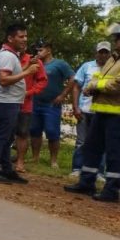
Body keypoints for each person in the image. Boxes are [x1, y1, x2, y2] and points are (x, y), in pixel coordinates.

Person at [65, 25, 120, 201]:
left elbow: (116, 85)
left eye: (117, 38)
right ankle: (86, 182)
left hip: (116, 114)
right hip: (100, 110)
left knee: (114, 152)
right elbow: (99, 78)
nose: (115, 41)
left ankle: (111, 190)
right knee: (91, 147)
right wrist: (90, 86)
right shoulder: (113, 59)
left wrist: (95, 86)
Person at [0, 24, 42, 184]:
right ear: (10, 38)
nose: (25, 39)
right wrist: (27, 72)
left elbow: (12, 74)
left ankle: (6, 169)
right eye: (21, 36)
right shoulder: (7, 56)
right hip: (6, 103)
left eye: (25, 36)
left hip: (11, 102)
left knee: (7, 138)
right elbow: (4, 80)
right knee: (0, 137)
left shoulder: (11, 55)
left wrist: (25, 66)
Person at [27, 40, 76, 170]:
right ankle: (35, 157)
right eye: (37, 50)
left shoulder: (59, 64)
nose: (38, 52)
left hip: (51, 103)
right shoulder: (36, 63)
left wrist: (63, 95)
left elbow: (72, 77)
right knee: (34, 130)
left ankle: (54, 160)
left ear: (49, 50)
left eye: (41, 49)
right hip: (35, 101)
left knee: (52, 131)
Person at [70, 41, 114, 177]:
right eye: (100, 52)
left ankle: (99, 172)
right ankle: (77, 168)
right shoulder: (87, 66)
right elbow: (76, 86)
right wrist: (76, 107)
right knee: (81, 141)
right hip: (84, 109)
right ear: (96, 52)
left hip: (102, 111)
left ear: (109, 54)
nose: (103, 55)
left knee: (101, 144)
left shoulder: (112, 68)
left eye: (106, 52)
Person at [12, 42, 48, 173]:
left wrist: (30, 92)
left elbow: (43, 80)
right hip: (8, 101)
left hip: (25, 103)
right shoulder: (9, 58)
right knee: (5, 131)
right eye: (20, 42)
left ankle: (20, 162)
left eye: (25, 44)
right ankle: (0, 159)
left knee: (22, 133)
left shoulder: (34, 61)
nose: (22, 46)